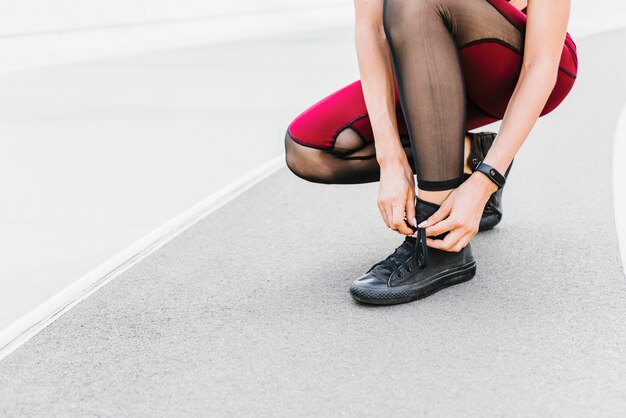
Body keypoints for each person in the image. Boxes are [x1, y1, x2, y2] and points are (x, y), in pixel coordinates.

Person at [283, 0, 578, 305]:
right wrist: (390, 158)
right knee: (309, 150)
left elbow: (540, 63)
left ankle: (438, 242)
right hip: (427, 64)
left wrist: (487, 179)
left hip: (515, 65)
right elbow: (371, 29)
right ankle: (472, 155)